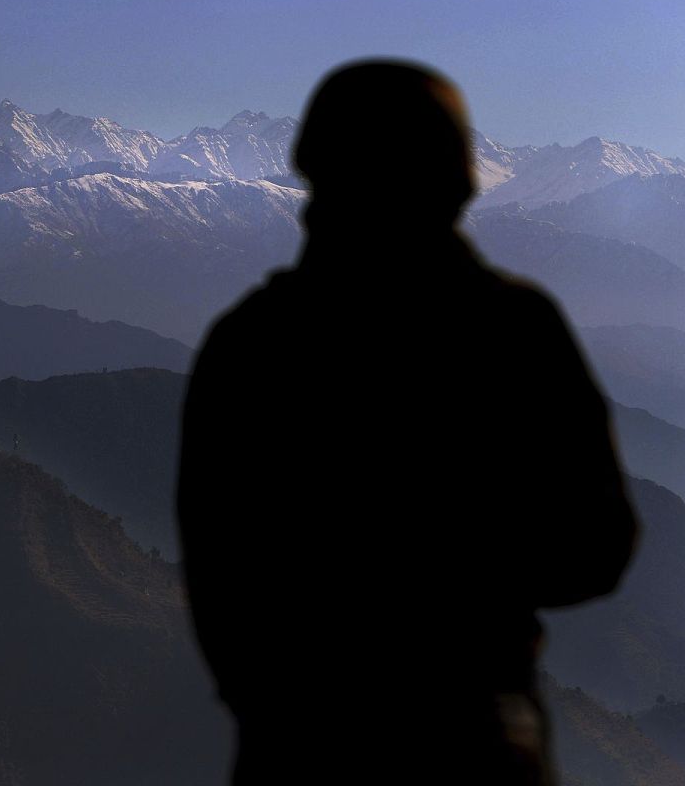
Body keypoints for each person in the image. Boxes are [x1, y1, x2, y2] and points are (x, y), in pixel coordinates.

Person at [176, 60, 638, 785]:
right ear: (454, 179)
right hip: (479, 742)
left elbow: (216, 567)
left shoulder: (252, 343)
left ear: (316, 174)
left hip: (296, 746)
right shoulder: (515, 331)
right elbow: (599, 544)